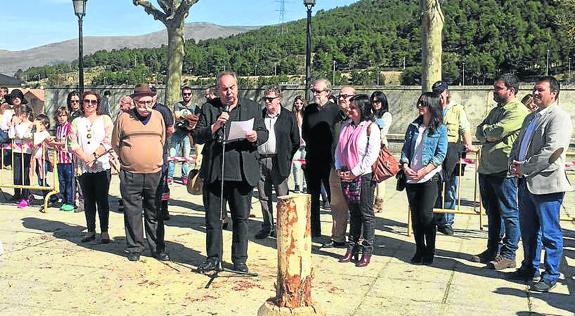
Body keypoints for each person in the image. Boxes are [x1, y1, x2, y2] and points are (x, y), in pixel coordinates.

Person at [192, 71, 268, 273]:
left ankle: (239, 259)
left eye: (232, 87)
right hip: (216, 172)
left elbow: (264, 132)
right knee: (213, 219)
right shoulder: (209, 108)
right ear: (218, 90)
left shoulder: (252, 107)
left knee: (241, 219)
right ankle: (213, 258)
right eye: (224, 89)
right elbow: (197, 136)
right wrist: (216, 125)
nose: (229, 92)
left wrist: (255, 137)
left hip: (242, 172)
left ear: (237, 87)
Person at [509, 76, 573, 292]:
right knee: (528, 230)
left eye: (540, 90)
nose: (535, 93)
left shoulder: (559, 118)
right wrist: (513, 163)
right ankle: (529, 267)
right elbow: (518, 143)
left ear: (553, 93)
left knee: (550, 233)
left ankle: (551, 274)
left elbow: (552, 152)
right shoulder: (531, 117)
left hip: (547, 184)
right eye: (534, 90)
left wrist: (524, 167)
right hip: (525, 183)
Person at [473, 73, 528, 270]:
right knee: (492, 212)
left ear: (511, 90)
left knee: (509, 213)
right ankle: (492, 250)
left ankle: (509, 253)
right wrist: (488, 133)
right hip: (487, 168)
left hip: (503, 170)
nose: (494, 92)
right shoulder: (497, 110)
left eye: (498, 88)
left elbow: (496, 132)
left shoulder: (518, 111)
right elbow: (480, 131)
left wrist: (489, 133)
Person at [112, 84, 169, 262]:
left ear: (153, 101)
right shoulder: (123, 118)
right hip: (130, 174)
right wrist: (127, 160)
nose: (145, 106)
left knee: (154, 213)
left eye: (149, 102)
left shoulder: (159, 116)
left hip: (154, 174)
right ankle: (135, 247)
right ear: (134, 102)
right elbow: (116, 143)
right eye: (141, 102)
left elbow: (163, 140)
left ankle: (157, 248)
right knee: (132, 212)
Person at [400, 92, 447, 265]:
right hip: (411, 177)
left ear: (432, 106)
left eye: (424, 103)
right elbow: (406, 149)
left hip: (429, 177)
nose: (420, 106)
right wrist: (405, 165)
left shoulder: (441, 129)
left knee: (426, 215)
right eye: (419, 103)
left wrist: (424, 171)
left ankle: (430, 251)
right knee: (416, 216)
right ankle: (419, 249)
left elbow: (440, 154)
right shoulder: (413, 126)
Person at [335, 95, 380, 267]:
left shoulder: (370, 128)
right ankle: (351, 248)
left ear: (362, 109)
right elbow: (339, 150)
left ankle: (367, 250)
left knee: (366, 214)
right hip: (346, 174)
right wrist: (339, 167)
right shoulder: (346, 126)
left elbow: (371, 155)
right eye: (349, 107)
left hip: (363, 175)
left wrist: (355, 172)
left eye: (353, 107)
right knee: (353, 213)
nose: (349, 110)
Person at [255, 86, 300, 240]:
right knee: (263, 196)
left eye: (270, 99)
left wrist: (286, 157)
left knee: (282, 196)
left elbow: (295, 141)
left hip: (279, 161)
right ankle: (267, 226)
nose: (267, 102)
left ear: (279, 99)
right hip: (261, 160)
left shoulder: (288, 116)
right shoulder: (259, 115)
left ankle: (283, 226)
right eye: (265, 99)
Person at [430, 81, 475, 235]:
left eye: (441, 92)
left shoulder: (457, 109)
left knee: (451, 187)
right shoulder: (431, 107)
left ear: (447, 92)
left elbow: (465, 128)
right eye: (436, 92)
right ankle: (435, 218)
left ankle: (447, 221)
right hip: (434, 151)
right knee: (434, 187)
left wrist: (468, 145)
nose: (439, 95)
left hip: (451, 151)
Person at [69, 91, 114, 244]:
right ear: (82, 103)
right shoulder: (76, 121)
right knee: (88, 200)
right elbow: (72, 143)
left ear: (97, 104)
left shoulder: (105, 119)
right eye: (87, 101)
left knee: (102, 200)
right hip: (84, 167)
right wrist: (85, 158)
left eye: (93, 102)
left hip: (102, 165)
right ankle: (90, 230)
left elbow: (109, 141)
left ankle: (105, 231)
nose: (90, 104)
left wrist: (94, 156)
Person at [302, 79, 341, 238]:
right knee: (312, 196)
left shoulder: (335, 110)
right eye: (313, 91)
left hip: (329, 160)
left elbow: (337, 136)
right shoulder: (309, 109)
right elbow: (304, 132)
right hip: (312, 157)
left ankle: (336, 232)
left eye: (318, 91)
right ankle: (314, 230)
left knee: (333, 198)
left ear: (327, 92)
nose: (315, 94)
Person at [323, 86, 355, 248]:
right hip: (335, 167)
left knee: (356, 207)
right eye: (340, 96)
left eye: (345, 96)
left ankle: (358, 239)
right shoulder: (336, 117)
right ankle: (338, 237)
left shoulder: (360, 119)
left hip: (355, 170)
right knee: (336, 205)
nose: (341, 98)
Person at [150, 85, 175, 221]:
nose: (151, 97)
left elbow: (171, 129)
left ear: (156, 95)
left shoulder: (163, 110)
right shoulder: (141, 110)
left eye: (153, 94)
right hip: (146, 152)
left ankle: (164, 208)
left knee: (163, 181)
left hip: (161, 150)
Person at [169, 86, 199, 184]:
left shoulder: (196, 107)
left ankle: (185, 176)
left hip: (188, 134)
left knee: (186, 157)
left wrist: (192, 123)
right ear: (182, 95)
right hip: (177, 132)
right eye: (184, 94)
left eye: (188, 94)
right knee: (172, 155)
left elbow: (198, 120)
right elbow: (177, 116)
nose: (186, 95)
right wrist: (188, 117)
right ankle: (170, 176)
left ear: (191, 95)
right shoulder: (178, 105)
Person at [369, 91, 393, 213]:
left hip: (380, 146)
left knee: (380, 175)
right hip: (369, 147)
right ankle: (371, 199)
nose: (375, 104)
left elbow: (383, 131)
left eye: (378, 101)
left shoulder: (386, 115)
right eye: (373, 101)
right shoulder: (370, 114)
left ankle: (379, 201)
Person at [8, 104, 34, 208]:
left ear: (24, 114)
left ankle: (26, 196)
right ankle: (17, 193)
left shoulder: (31, 124)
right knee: (17, 174)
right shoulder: (17, 124)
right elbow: (11, 135)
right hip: (17, 150)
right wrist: (12, 125)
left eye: (19, 113)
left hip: (26, 151)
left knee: (25, 173)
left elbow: (26, 136)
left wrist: (21, 135)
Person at [51, 107, 75, 212]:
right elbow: (57, 142)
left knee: (69, 181)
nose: (61, 118)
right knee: (62, 181)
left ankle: (70, 201)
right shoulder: (58, 128)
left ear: (67, 116)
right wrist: (54, 143)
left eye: (63, 115)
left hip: (68, 159)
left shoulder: (70, 127)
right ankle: (64, 200)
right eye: (59, 115)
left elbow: (68, 142)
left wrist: (56, 143)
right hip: (60, 159)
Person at [291, 96, 307, 193]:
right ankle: (297, 184)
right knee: (296, 166)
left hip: (305, 144)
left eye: (301, 103)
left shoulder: (306, 115)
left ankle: (305, 185)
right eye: (297, 103)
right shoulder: (292, 115)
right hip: (296, 144)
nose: (299, 105)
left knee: (305, 166)